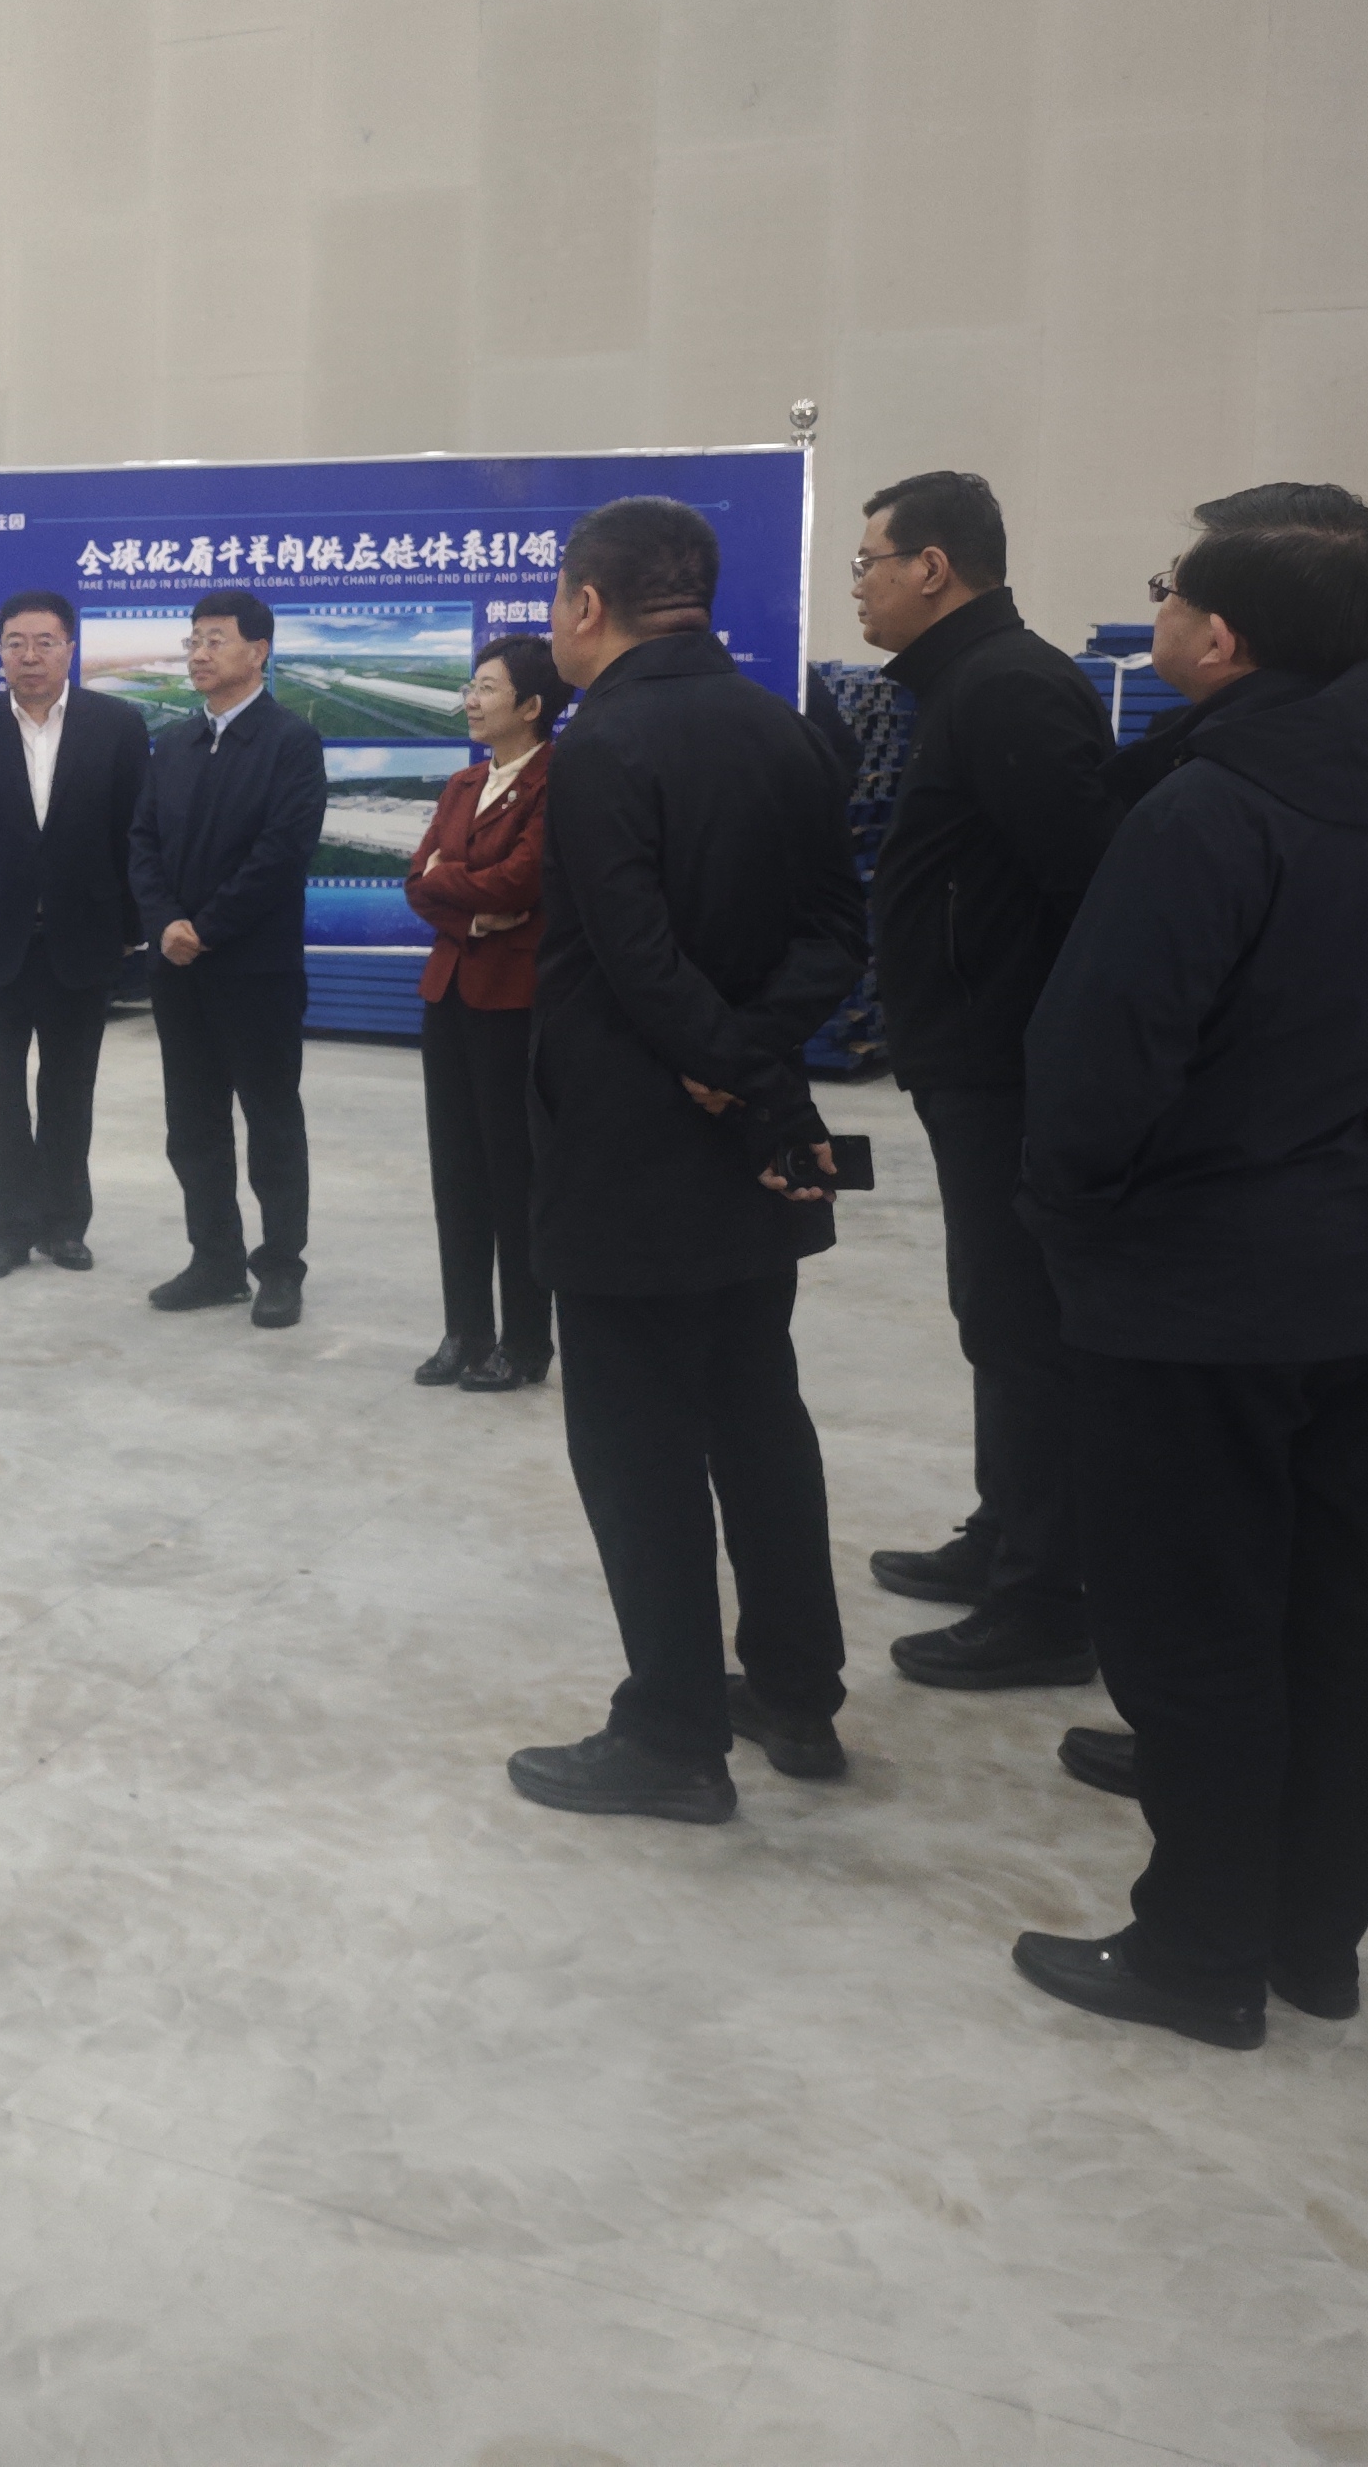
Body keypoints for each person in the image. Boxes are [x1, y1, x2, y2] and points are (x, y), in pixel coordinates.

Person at [1008, 486, 1368, 2049]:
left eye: (1173, 593)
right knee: (1332, 1614)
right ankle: (1316, 1936)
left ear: (1223, 637)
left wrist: (1071, 1227)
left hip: (1198, 1296)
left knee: (1193, 1627)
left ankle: (1198, 1953)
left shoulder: (1206, 810)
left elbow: (1100, 1064)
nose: (1161, 611)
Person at [506, 498, 869, 1824]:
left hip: (631, 1148)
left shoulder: (601, 745)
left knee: (636, 1442)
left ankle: (670, 1733)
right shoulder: (786, 728)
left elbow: (631, 954)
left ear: (587, 605)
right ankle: (797, 1689)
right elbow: (837, 933)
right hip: (751, 1144)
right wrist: (761, 1068)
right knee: (757, 1410)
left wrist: (720, 1063)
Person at [841, 471, 1121, 1694]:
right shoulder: (968, 682)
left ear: (932, 567)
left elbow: (1088, 888)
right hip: (972, 1054)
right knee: (993, 1316)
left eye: (868, 562)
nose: (857, 586)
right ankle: (1008, 1532)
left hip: (1008, 1064)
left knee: (1022, 1326)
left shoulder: (1007, 686)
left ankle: (1047, 1597)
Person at [0, 590, 150, 1280]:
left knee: (68, 1094)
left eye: (45, 642)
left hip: (81, 945)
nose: (30, 656)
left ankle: (64, 1226)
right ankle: (3, 1232)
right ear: (0, 652)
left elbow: (134, 836)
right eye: (15, 643)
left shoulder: (117, 726)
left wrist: (131, 931)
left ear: (69, 649)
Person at [128, 588, 328, 1327]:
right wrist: (165, 923)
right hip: (178, 970)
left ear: (258, 651)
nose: (199, 653)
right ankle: (213, 1261)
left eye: (216, 639)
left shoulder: (289, 742)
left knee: (271, 1121)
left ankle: (280, 1268)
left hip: (255, 970)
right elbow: (142, 843)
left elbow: (281, 854)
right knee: (192, 1124)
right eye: (194, 640)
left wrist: (205, 928)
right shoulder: (177, 742)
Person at [402, 636, 561, 1391]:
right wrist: (468, 910)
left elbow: (522, 881)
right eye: (471, 685)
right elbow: (417, 881)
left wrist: (452, 879)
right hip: (450, 994)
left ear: (531, 706)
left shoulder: (556, 782)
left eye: (487, 688)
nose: (470, 699)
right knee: (456, 1174)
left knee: (513, 1174)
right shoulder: (464, 784)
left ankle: (525, 1342)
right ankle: (464, 1330)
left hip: (514, 1001)